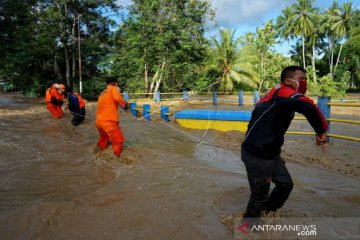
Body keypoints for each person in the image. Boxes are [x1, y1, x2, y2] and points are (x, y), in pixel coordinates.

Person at [241, 66, 328, 219]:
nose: (304, 83)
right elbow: (307, 105)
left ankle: (267, 212)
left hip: (271, 152)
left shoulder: (277, 94)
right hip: (257, 154)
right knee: (259, 195)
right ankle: (248, 228)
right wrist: (321, 131)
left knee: (285, 184)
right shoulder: (283, 93)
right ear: (288, 81)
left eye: (305, 80)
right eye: (301, 79)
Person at [95, 76, 130, 158]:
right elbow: (117, 98)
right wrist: (126, 104)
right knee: (118, 140)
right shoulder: (113, 88)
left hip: (99, 122)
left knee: (104, 138)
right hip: (109, 121)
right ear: (115, 83)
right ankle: (116, 157)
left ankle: (97, 153)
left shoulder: (102, 93)